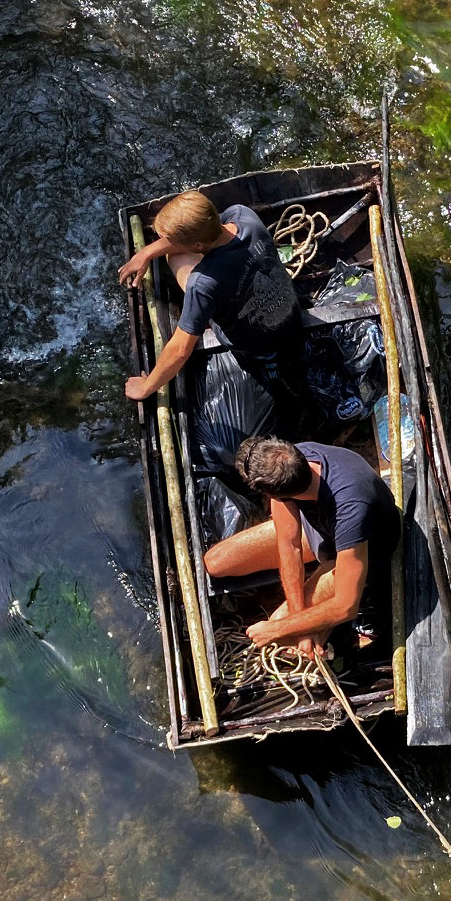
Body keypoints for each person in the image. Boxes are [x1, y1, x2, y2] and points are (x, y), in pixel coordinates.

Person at [203, 436, 399, 653]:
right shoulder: (287, 461)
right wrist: (300, 620)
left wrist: (277, 629)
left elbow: (345, 606)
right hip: (321, 530)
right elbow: (290, 546)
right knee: (214, 562)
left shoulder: (351, 509)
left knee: (280, 634)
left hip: (363, 548)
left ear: (273, 493)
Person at [118, 190, 304, 404]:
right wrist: (146, 253)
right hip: (291, 320)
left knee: (174, 256)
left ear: (198, 246)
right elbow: (207, 231)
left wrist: (145, 387)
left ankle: (204, 308)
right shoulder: (244, 215)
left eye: (173, 239)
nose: (167, 241)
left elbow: (180, 350)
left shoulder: (202, 284)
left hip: (254, 346)